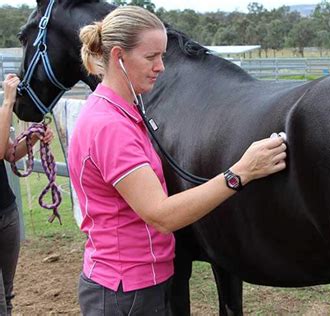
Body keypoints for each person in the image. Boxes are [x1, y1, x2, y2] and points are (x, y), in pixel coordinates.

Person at [69, 6, 287, 315]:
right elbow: (161, 215)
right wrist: (241, 172)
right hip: (126, 291)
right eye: (150, 57)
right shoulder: (109, 127)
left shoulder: (121, 113)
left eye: (162, 56)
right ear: (118, 56)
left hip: (139, 282)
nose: (160, 67)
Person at [0, 74, 53, 316]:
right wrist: (8, 102)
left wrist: (32, 138)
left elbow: (10, 153)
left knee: (7, 296)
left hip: (6, 212)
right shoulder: (3, 107)